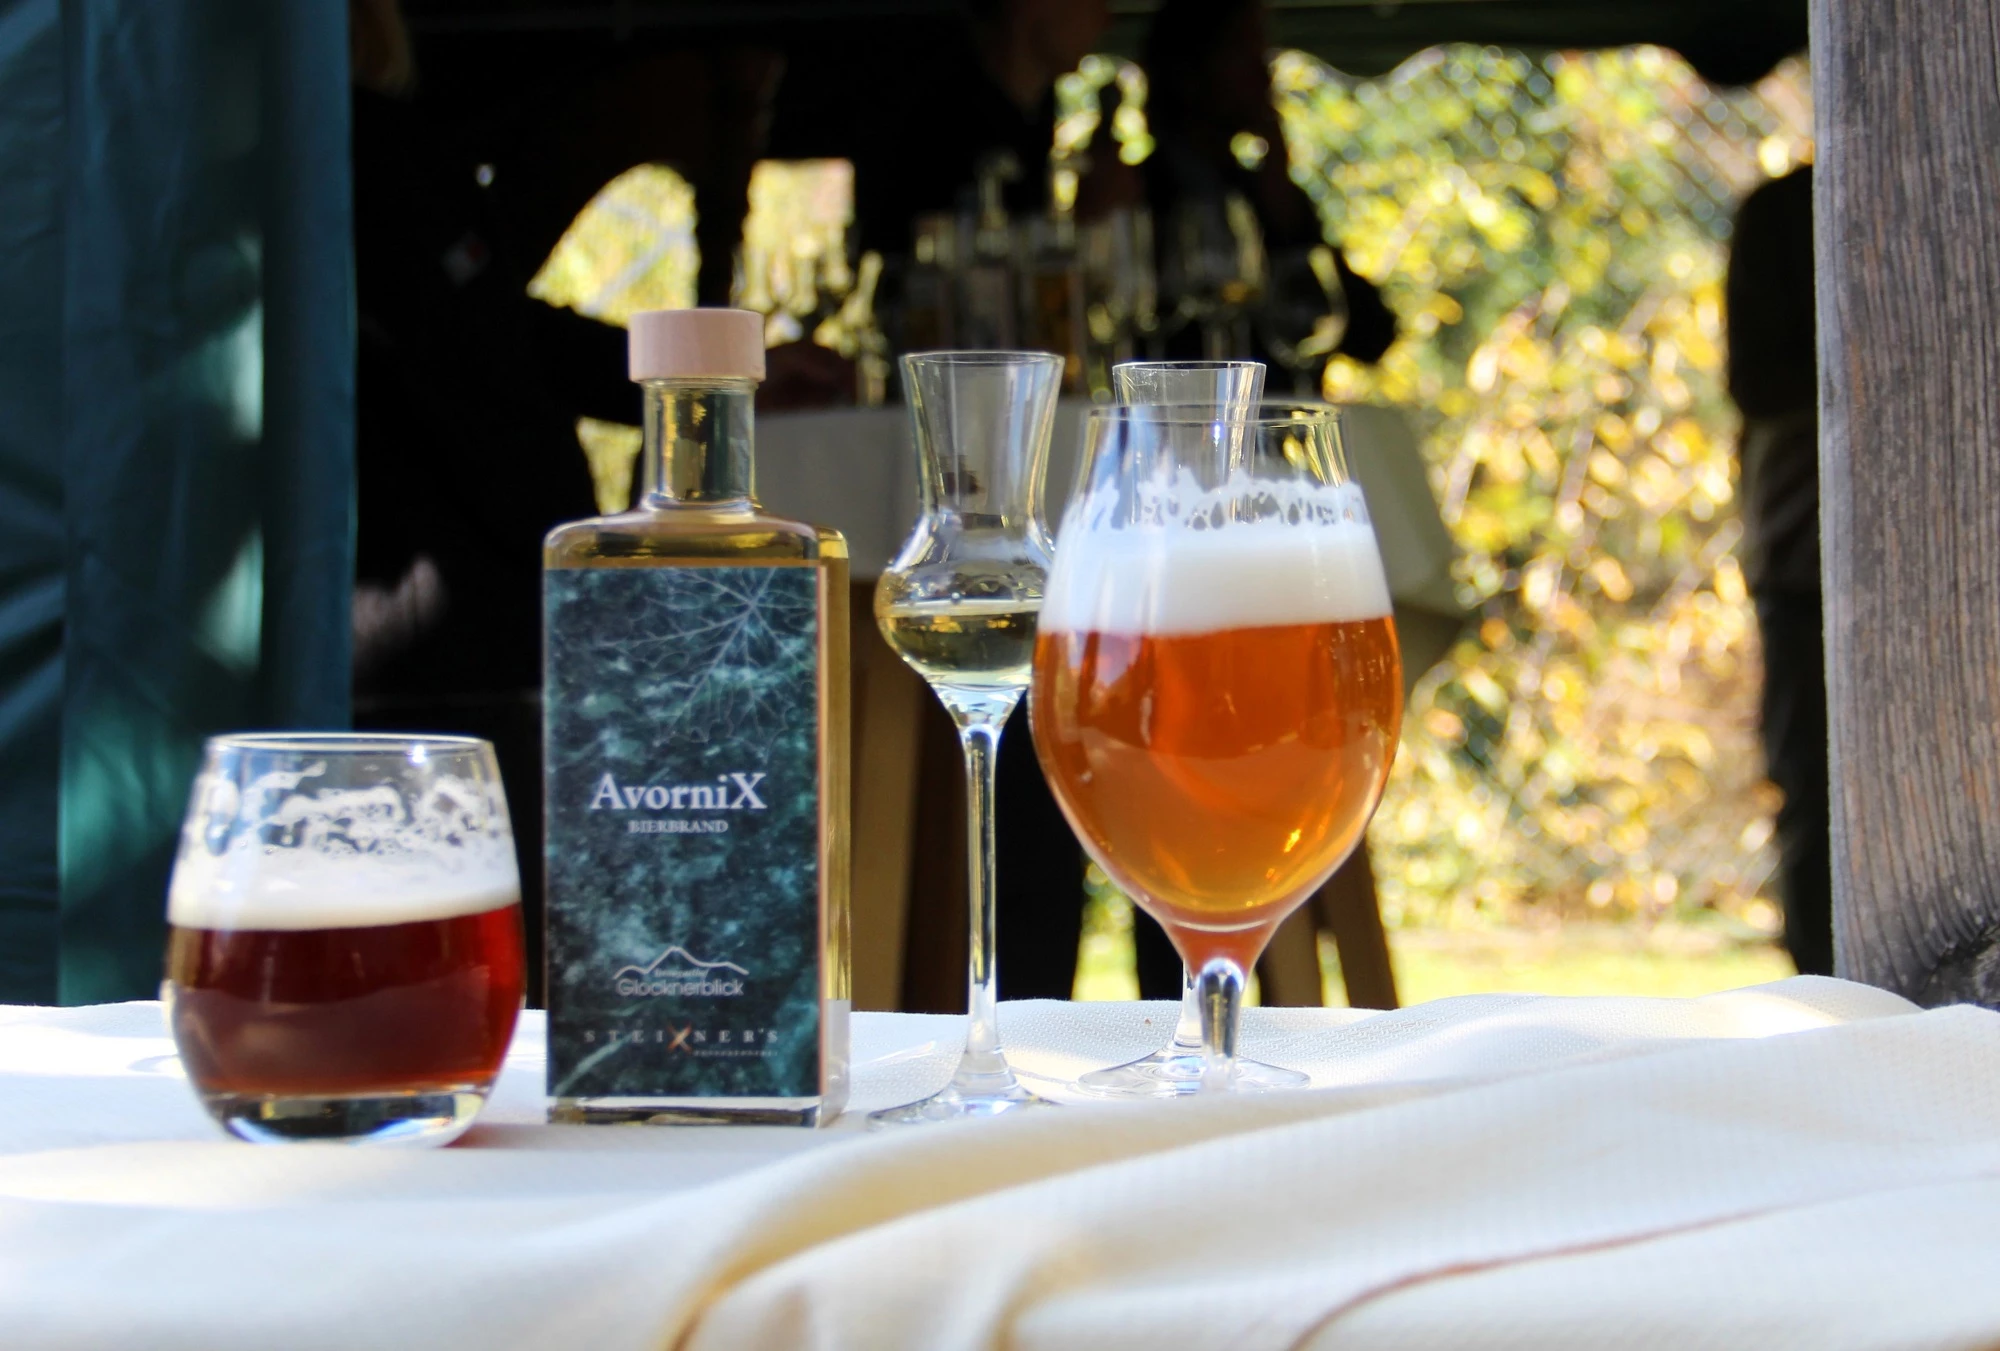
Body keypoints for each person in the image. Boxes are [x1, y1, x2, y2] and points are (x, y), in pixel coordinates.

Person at [1725, 164, 1831, 977]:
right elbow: (1756, 381)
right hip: (1808, 549)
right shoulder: (1785, 211)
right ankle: (1827, 983)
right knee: (1812, 779)